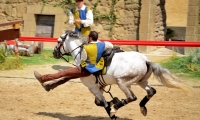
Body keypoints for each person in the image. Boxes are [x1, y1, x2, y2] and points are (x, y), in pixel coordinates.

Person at [34, 31, 113, 92]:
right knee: (68, 76)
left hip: (85, 69)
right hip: (95, 69)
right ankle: (50, 86)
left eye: (88, 37)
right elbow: (111, 45)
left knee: (62, 73)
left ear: (90, 38)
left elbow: (83, 60)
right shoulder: (102, 45)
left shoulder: (86, 47)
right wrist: (99, 42)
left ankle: (42, 78)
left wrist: (79, 67)